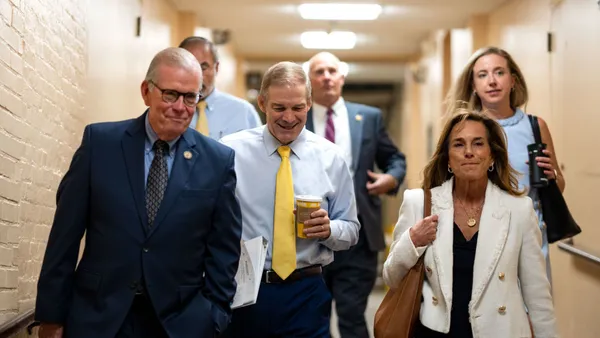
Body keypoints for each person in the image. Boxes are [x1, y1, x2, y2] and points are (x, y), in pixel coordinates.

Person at [35, 47, 243, 338]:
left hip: (179, 324)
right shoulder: (100, 144)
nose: (180, 107)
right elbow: (64, 238)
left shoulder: (217, 161)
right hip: (99, 317)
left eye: (190, 97)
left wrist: (214, 316)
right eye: (170, 94)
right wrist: (51, 317)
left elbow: (224, 250)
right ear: (146, 91)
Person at [382, 110, 557, 338]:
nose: (468, 152)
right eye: (458, 144)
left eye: (478, 143)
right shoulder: (419, 203)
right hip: (435, 332)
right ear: (447, 159)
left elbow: (538, 295)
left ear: (492, 155)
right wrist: (412, 240)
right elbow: (390, 277)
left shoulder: (519, 210)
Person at [220, 61, 360, 338]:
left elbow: (352, 229)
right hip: (246, 288)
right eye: (279, 108)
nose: (288, 117)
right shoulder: (230, 153)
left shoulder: (331, 157)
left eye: (297, 108)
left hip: (306, 291)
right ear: (262, 103)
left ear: (309, 103)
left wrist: (329, 229)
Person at [305, 51, 406, 338]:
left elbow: (395, 159)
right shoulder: (297, 117)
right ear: (309, 80)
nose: (326, 77)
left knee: (352, 316)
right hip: (308, 232)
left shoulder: (369, 117)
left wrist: (391, 178)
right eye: (319, 72)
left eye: (332, 71)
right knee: (313, 317)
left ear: (342, 77)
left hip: (358, 235)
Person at [445, 46, 564, 283]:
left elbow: (557, 186)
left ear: (513, 81)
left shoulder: (535, 126)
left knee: (533, 312)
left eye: (499, 72)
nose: (491, 81)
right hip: (477, 234)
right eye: (482, 75)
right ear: (473, 86)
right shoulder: (462, 128)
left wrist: (552, 176)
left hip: (527, 235)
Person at [179, 36, 262, 139]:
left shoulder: (244, 112)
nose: (197, 75)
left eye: (203, 67)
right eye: (189, 67)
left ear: (216, 68)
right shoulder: (169, 111)